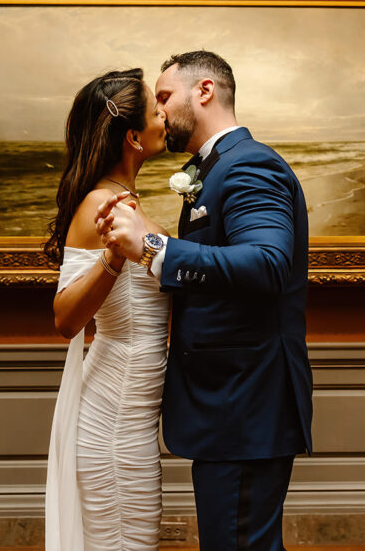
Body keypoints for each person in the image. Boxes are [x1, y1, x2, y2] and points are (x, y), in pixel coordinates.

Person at [96, 51, 314, 551]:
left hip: (246, 399)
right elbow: (220, 264)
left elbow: (267, 263)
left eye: (166, 96)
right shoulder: (214, 169)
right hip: (231, 400)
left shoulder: (249, 164)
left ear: (206, 91)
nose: (159, 110)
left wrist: (154, 248)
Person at [43, 67, 171, 551]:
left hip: (134, 418)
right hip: (113, 420)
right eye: (155, 109)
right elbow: (65, 318)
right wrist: (114, 259)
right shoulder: (102, 204)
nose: (165, 114)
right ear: (134, 137)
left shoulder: (125, 203)